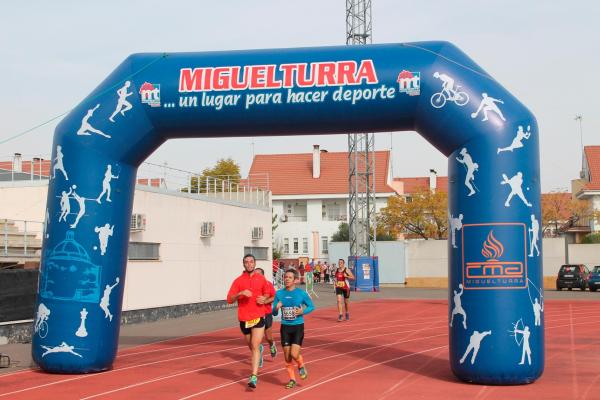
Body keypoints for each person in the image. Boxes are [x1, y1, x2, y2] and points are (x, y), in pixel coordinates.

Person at [227, 254, 271, 389]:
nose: (249, 264)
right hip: (244, 318)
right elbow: (229, 299)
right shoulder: (238, 281)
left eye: (251, 262)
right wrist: (240, 294)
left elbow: (268, 293)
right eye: (246, 262)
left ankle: (253, 376)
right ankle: (257, 353)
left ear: (255, 263)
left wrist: (264, 298)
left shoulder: (261, 279)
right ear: (243, 264)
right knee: (251, 347)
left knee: (255, 344)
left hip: (258, 316)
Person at [273, 268, 315, 389]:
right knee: (287, 356)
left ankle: (301, 365)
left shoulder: (301, 293)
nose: (287, 279)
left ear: (295, 280)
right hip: (285, 327)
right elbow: (274, 313)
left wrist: (303, 311)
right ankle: (292, 379)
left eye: (290, 277)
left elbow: (311, 306)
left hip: (297, 326)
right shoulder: (279, 294)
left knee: (294, 353)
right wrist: (276, 307)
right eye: (285, 277)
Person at [255, 267, 278, 362]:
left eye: (257, 274)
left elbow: (275, 297)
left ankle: (272, 345)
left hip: (266, 313)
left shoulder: (268, 284)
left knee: (268, 337)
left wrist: (265, 301)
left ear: (262, 275)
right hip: (255, 314)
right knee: (256, 339)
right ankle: (258, 355)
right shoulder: (251, 285)